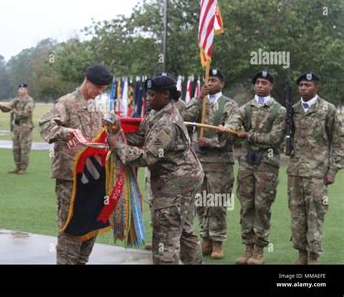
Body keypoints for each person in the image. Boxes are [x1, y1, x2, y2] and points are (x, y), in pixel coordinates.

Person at [107, 73, 204, 265]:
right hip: (182, 177)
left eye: (152, 95)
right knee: (184, 230)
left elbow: (148, 157)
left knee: (165, 237)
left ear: (166, 95)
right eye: (147, 94)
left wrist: (118, 147)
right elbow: (141, 136)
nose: (147, 98)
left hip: (176, 183)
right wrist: (117, 134)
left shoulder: (167, 123)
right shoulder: (155, 113)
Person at [39, 64, 113, 264]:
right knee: (70, 229)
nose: (99, 93)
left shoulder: (96, 107)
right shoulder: (66, 103)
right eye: (97, 87)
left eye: (103, 89)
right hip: (70, 177)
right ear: (87, 81)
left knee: (90, 225)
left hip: (94, 178)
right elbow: (45, 125)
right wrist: (66, 132)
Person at [222, 70, 285, 265]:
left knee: (262, 207)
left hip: (267, 165)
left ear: (271, 86)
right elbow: (233, 124)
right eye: (257, 82)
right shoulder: (244, 109)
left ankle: (259, 250)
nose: (260, 85)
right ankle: (247, 248)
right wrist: (228, 128)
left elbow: (274, 139)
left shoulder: (279, 111)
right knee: (246, 206)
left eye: (264, 82)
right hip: (247, 164)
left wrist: (247, 135)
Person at [179, 68, 238, 259]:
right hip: (200, 162)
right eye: (207, 80)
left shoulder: (229, 105)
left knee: (217, 203)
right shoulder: (200, 102)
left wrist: (211, 142)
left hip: (221, 163)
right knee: (201, 203)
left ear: (222, 83)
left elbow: (231, 133)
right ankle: (206, 238)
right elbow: (184, 118)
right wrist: (199, 97)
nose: (210, 83)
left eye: (213, 80)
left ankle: (218, 241)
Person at [287, 72, 343, 264]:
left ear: (317, 86)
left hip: (318, 173)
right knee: (297, 215)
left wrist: (333, 170)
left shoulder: (328, 109)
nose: (303, 88)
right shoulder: (293, 110)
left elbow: (339, 140)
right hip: (295, 172)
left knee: (316, 214)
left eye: (308, 85)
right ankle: (301, 254)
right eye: (301, 85)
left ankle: (313, 256)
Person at [0, 83, 35, 174]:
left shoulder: (30, 101)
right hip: (16, 127)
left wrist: (14, 111)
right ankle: (17, 166)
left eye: (22, 89)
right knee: (16, 147)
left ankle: (23, 168)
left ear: (26, 90)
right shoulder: (16, 99)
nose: (20, 91)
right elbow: (8, 108)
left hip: (25, 127)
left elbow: (25, 114)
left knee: (24, 148)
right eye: (19, 89)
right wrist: (2, 106)